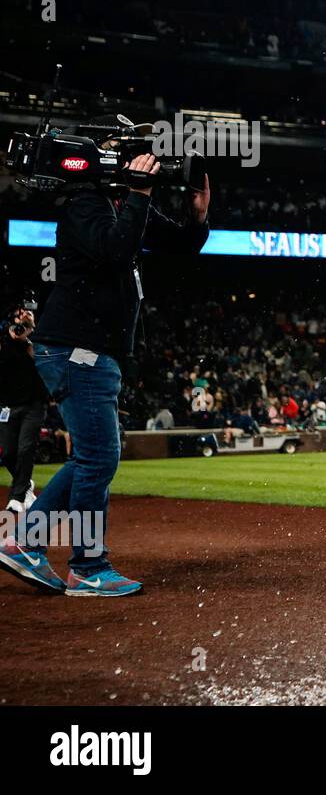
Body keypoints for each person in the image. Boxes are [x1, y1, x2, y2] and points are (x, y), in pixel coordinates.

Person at [0, 149, 210, 597]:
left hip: (90, 350)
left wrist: (196, 217)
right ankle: (87, 566)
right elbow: (116, 251)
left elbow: (180, 245)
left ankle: (24, 543)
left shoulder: (118, 203)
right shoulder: (86, 202)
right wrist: (137, 193)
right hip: (78, 349)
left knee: (92, 457)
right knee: (98, 457)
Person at [1, 302, 48, 514]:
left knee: (26, 448)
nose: (24, 315)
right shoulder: (4, 338)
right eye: (20, 313)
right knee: (8, 453)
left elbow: (44, 363)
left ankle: (17, 497)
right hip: (8, 405)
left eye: (28, 313)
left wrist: (26, 340)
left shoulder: (40, 337)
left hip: (34, 403)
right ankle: (26, 484)